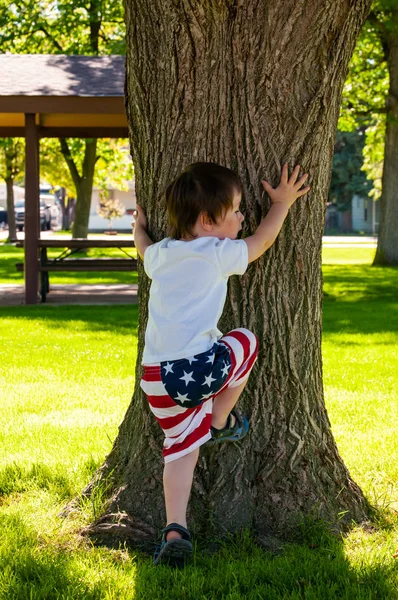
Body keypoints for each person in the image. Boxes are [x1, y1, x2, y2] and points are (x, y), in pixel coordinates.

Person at [133, 162, 310, 567]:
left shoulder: (161, 255)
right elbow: (262, 241)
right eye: (236, 210)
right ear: (209, 221)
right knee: (245, 341)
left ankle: (175, 528)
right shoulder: (217, 252)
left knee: (179, 451)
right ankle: (218, 421)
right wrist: (281, 203)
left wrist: (138, 227)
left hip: (156, 378)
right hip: (196, 371)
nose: (244, 216)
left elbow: (143, 246)